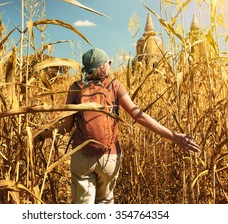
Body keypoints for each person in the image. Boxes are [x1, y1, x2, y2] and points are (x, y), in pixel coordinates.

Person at [34, 48, 200, 204]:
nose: (110, 65)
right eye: (108, 63)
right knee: (105, 201)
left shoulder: (76, 88)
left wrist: (40, 135)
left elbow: (65, 127)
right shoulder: (114, 86)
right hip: (110, 158)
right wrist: (174, 136)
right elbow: (139, 116)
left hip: (82, 157)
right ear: (102, 67)